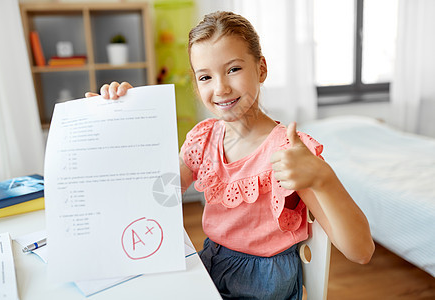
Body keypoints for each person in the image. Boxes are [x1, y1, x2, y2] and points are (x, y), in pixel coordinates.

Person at [86, 11, 374, 300]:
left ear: (261, 69)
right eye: (205, 77)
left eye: (233, 69)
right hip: (211, 268)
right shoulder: (204, 139)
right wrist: (119, 125)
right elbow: (155, 198)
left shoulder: (290, 151)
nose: (220, 87)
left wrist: (323, 178)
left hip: (264, 287)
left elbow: (361, 251)